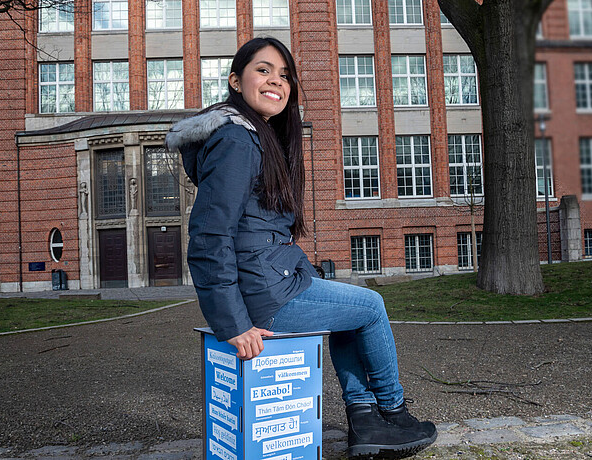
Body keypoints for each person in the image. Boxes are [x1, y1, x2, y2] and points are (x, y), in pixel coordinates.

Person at [166, 37, 437, 459]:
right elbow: (208, 236)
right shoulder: (237, 140)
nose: (276, 80)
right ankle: (392, 413)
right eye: (263, 70)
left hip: (270, 280)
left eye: (285, 74)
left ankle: (365, 421)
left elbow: (260, 230)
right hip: (262, 295)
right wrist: (232, 323)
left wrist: (301, 273)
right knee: (371, 307)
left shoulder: (257, 136)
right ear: (236, 81)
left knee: (350, 313)